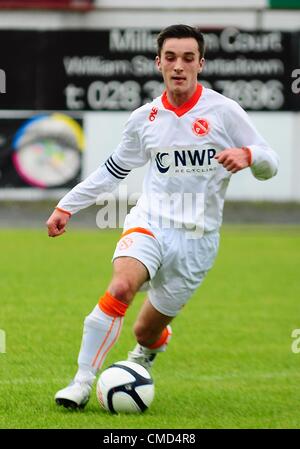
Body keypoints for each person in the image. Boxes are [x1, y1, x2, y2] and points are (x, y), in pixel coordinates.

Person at [46, 24, 279, 409]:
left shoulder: (224, 112)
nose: (179, 65)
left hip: (198, 241)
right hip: (150, 223)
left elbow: (270, 162)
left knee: (145, 329)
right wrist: (66, 205)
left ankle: (150, 347)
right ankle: (82, 382)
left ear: (200, 63)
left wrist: (250, 156)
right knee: (121, 288)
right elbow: (112, 170)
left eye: (188, 57)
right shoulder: (144, 119)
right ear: (158, 63)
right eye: (170, 57)